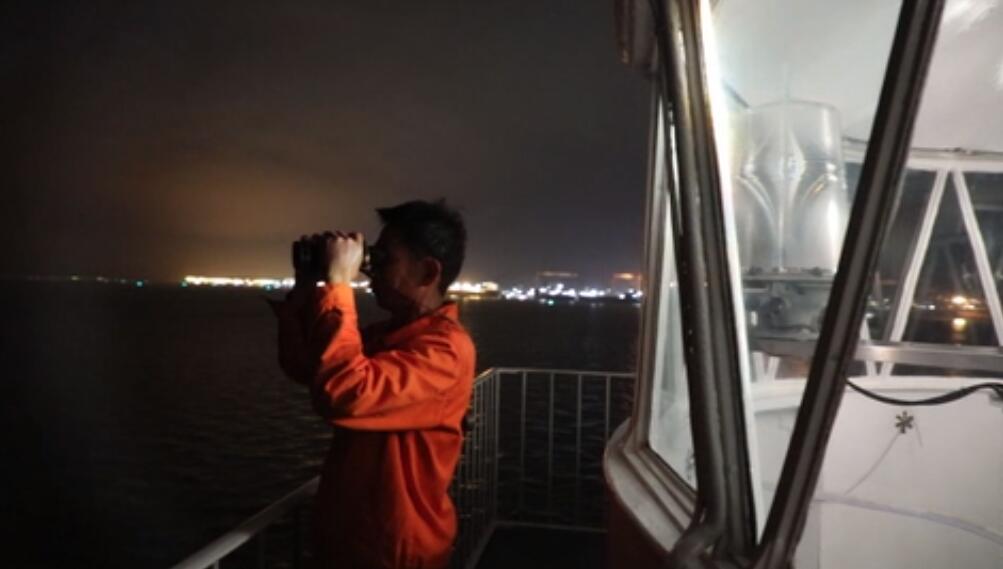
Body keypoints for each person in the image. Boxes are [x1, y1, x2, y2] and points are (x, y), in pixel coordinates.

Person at [272, 200, 475, 569]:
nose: (371, 271)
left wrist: (338, 285)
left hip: (394, 551)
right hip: (352, 540)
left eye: (384, 259)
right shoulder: (390, 335)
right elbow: (306, 366)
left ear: (428, 272)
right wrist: (307, 287)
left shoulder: (446, 351)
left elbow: (345, 394)